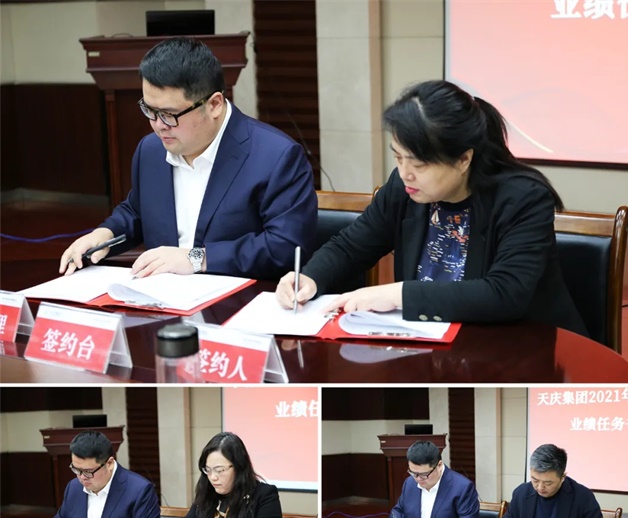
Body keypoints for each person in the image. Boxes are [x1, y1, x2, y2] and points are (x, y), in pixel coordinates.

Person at [275, 80, 586, 336]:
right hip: (432, 344)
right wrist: (310, 278)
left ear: (463, 159)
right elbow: (351, 246)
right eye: (398, 157)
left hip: (521, 347)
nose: (405, 173)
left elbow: (505, 293)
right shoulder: (404, 187)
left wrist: (395, 294)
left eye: (419, 164)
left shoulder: (522, 198)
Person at [60, 37, 317, 281]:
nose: (158, 125)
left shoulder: (276, 156)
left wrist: (196, 259)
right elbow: (137, 211)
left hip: (239, 298)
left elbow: (285, 247)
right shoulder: (151, 150)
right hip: (161, 298)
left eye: (169, 114)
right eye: (149, 110)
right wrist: (104, 235)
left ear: (214, 104)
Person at [151, 432, 284, 518]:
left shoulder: (264, 495)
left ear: (239, 467)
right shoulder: (207, 495)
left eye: (219, 470)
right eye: (207, 470)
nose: (213, 477)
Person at [33, 431, 160, 518]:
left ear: (109, 463)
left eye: (88, 471)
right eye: (76, 469)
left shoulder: (139, 489)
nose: (82, 477)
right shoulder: (74, 487)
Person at [385, 440, 479, 518]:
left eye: (424, 474)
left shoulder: (462, 487)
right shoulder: (410, 483)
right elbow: (399, 510)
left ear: (439, 465)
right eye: (413, 473)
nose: (418, 479)